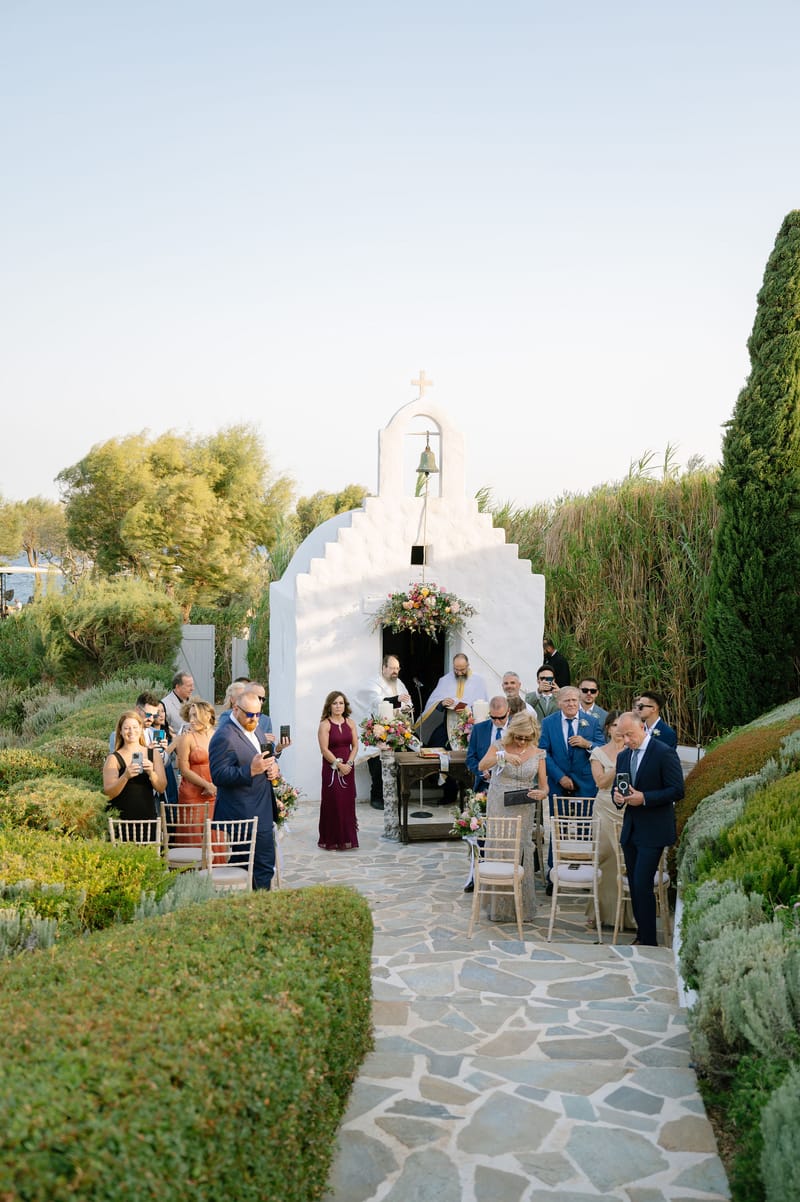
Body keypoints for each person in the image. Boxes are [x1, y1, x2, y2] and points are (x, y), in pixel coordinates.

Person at [612, 711, 684, 946]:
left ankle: (649, 941)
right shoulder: (623, 756)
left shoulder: (663, 752)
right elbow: (618, 789)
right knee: (635, 884)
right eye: (622, 736)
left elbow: (677, 790)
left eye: (629, 735)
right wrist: (618, 798)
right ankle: (642, 935)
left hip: (654, 829)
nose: (626, 740)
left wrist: (644, 798)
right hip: (631, 830)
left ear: (642, 728)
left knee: (643, 883)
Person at [477, 712, 548, 923]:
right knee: (500, 846)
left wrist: (542, 793)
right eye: (518, 737)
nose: (522, 742)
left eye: (527, 738)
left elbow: (544, 786)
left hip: (523, 806)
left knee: (521, 848)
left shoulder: (538, 753)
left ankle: (522, 907)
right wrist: (503, 756)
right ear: (512, 733)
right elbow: (482, 765)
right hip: (499, 802)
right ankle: (499, 906)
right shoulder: (499, 746)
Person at [208, 689, 280, 891]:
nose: (254, 719)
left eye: (258, 714)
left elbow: (265, 757)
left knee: (258, 864)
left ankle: (249, 902)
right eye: (249, 714)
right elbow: (218, 775)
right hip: (243, 812)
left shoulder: (257, 729)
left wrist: (272, 767)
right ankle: (257, 904)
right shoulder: (224, 736)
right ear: (236, 709)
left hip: (262, 808)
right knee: (257, 866)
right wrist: (250, 770)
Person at [538, 686, 604, 890]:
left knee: (585, 828)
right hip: (559, 783)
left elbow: (602, 749)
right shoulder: (548, 723)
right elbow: (543, 753)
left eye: (575, 700)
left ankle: (585, 871)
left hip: (585, 783)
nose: (572, 704)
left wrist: (587, 744)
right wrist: (559, 777)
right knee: (559, 828)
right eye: (567, 700)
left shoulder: (591, 722)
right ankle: (554, 873)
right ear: (559, 702)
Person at [586, 711, 632, 929]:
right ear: (608, 728)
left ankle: (626, 916)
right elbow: (601, 782)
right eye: (614, 726)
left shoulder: (634, 751)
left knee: (625, 858)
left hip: (627, 807)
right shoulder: (598, 753)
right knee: (605, 856)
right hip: (604, 807)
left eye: (621, 726)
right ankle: (601, 912)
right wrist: (618, 765)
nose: (618, 730)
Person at [355, 654, 414, 810]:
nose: (395, 671)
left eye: (397, 668)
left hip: (397, 731)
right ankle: (377, 797)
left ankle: (397, 796)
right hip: (377, 730)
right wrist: (396, 699)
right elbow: (375, 701)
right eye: (392, 668)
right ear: (384, 668)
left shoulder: (399, 683)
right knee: (377, 766)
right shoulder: (373, 683)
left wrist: (407, 708)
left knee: (399, 763)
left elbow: (407, 702)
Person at [103, 710, 167, 820]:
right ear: (120, 732)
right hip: (121, 821)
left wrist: (151, 773)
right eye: (126, 728)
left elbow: (161, 788)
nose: (131, 731)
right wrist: (125, 776)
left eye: (135, 727)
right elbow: (108, 794)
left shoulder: (154, 754)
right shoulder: (113, 758)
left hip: (147, 819)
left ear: (141, 729)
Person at [317, 691, 359, 851]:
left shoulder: (350, 723)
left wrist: (349, 764)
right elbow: (324, 749)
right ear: (329, 706)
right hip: (332, 769)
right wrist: (339, 765)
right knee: (334, 802)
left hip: (349, 768)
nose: (338, 706)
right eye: (334, 703)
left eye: (341, 703)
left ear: (345, 705)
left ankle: (347, 838)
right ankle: (332, 839)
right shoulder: (325, 725)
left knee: (347, 802)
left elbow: (355, 746)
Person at [420, 654, 489, 748]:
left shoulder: (478, 681)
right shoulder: (445, 680)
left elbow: (482, 706)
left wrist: (466, 709)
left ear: (468, 665)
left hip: (469, 725)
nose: (459, 673)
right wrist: (442, 703)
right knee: (435, 745)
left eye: (462, 670)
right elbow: (434, 702)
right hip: (448, 724)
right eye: (456, 670)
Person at [176, 699, 218, 812]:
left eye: (195, 715)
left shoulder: (217, 736)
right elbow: (184, 770)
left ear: (208, 716)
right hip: (192, 794)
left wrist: (214, 786)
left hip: (215, 791)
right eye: (190, 716)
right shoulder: (187, 738)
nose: (191, 720)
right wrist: (207, 785)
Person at [466, 696, 509, 793]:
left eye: (501, 717)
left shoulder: (516, 729)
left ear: (508, 711)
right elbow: (470, 758)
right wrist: (481, 771)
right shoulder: (479, 729)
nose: (497, 721)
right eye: (493, 717)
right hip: (485, 785)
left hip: (509, 785)